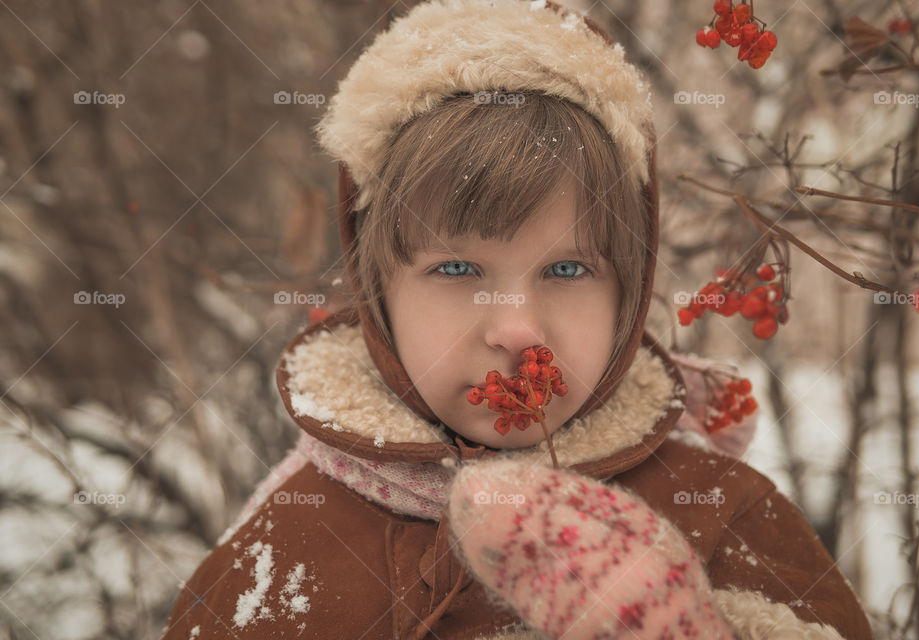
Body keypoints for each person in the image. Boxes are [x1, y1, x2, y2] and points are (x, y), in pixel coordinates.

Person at [160, 0, 874, 638]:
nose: (517, 328)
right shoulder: (285, 546)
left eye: (567, 270)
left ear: (630, 291)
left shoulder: (726, 515)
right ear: (378, 292)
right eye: (458, 270)